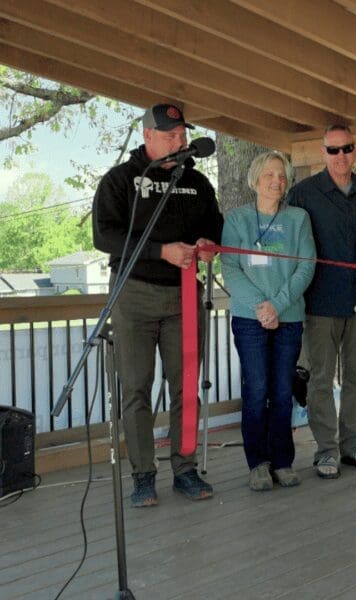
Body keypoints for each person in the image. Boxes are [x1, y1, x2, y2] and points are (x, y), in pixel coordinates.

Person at [92, 103, 223, 506]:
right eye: (169, 136)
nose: (178, 143)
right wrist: (158, 251)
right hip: (134, 293)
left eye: (182, 136)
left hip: (184, 294)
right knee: (135, 388)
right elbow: (105, 238)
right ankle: (143, 475)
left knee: (185, 387)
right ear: (147, 136)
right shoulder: (120, 180)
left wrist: (205, 246)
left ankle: (184, 469)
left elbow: (214, 227)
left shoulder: (197, 183)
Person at [221, 151, 315, 491]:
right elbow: (230, 268)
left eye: (282, 176)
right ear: (255, 180)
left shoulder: (298, 219)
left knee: (281, 390)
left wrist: (276, 305)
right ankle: (257, 463)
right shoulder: (236, 219)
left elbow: (306, 265)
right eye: (270, 175)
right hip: (250, 319)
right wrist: (261, 306)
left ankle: (283, 461)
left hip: (288, 317)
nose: (277, 181)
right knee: (257, 389)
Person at [286, 124, 356, 479]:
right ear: (323, 153)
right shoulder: (302, 193)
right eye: (333, 150)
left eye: (347, 148)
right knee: (320, 380)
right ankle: (327, 450)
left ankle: (352, 445)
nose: (341, 156)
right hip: (318, 303)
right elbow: (289, 247)